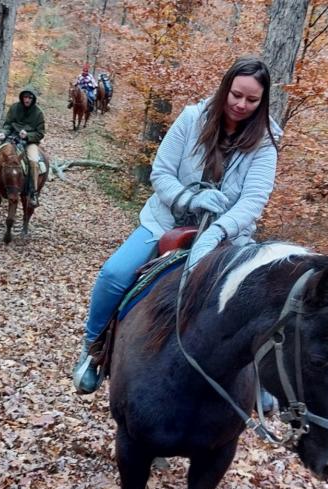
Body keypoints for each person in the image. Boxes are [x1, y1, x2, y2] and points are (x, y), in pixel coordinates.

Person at [72, 56, 283, 394]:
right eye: (236, 95)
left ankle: (261, 383)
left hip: (226, 237)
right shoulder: (190, 120)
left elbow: (252, 202)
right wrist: (188, 199)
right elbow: (161, 172)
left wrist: (218, 229)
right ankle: (92, 348)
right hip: (165, 222)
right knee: (114, 273)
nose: (241, 104)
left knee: (260, 300)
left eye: (252, 100)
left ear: (262, 101)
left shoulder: (265, 143)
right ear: (225, 88)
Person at [0, 86, 47, 206]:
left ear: (33, 99)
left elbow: (40, 133)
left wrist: (28, 135)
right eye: (25, 97)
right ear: (22, 97)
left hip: (30, 142)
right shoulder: (14, 108)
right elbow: (8, 124)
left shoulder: (38, 113)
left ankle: (33, 192)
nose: (27, 100)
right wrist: (3, 133)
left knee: (34, 162)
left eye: (30, 97)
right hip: (12, 137)